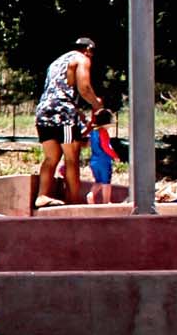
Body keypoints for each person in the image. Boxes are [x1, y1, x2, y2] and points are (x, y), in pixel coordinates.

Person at [34, 38, 104, 209]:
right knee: (72, 158)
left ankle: (42, 196)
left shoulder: (56, 63)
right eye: (92, 52)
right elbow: (84, 88)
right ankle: (73, 202)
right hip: (63, 113)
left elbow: (56, 91)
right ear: (87, 49)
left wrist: (79, 113)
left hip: (43, 111)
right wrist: (97, 104)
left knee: (51, 157)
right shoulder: (82, 59)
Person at [86, 109, 122, 206]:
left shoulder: (93, 132)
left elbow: (91, 144)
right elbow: (106, 147)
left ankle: (91, 194)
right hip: (104, 160)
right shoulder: (103, 132)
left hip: (94, 160)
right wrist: (115, 156)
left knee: (98, 181)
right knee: (106, 181)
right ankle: (106, 202)